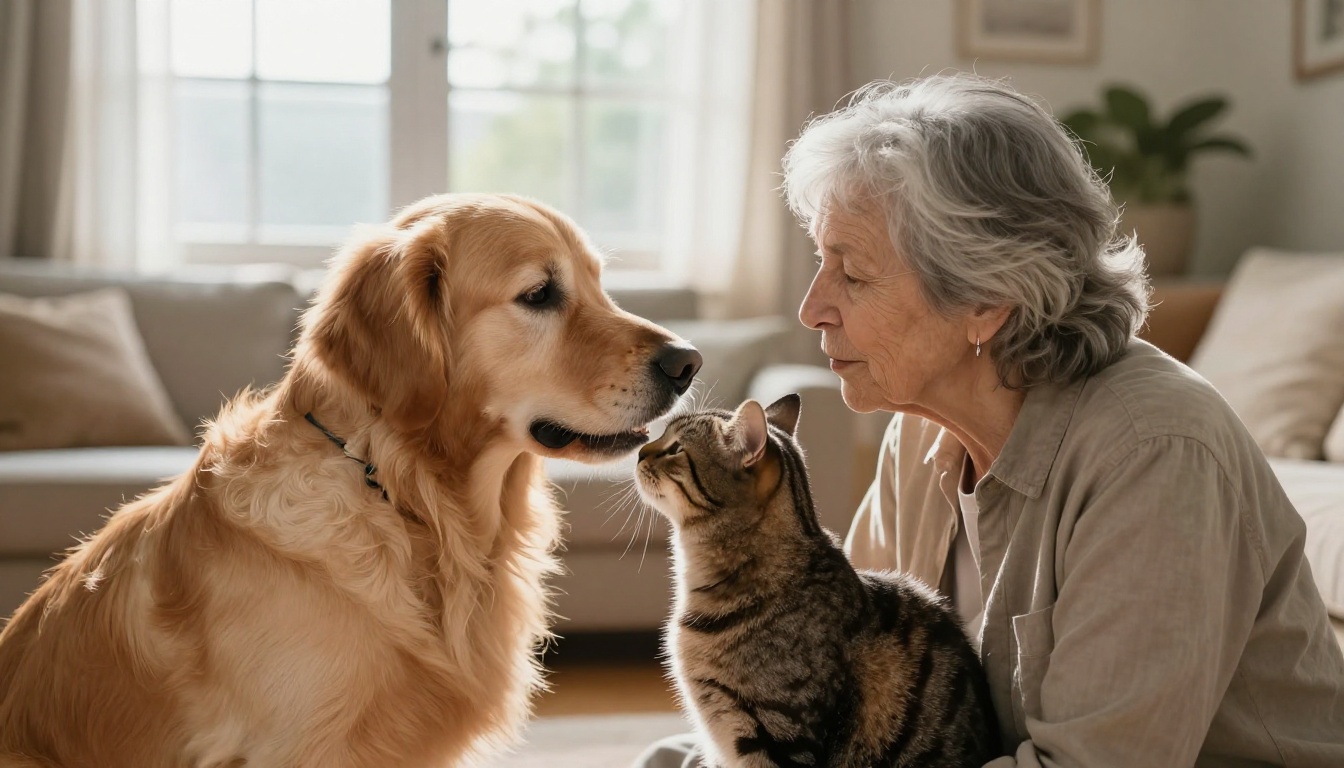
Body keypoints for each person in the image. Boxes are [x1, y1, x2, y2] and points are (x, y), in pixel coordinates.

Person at [634, 74, 1344, 767]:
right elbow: (833, 685)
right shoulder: (921, 425)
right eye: (823, 261)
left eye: (852, 274)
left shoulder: (1154, 454)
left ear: (985, 300)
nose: (811, 308)